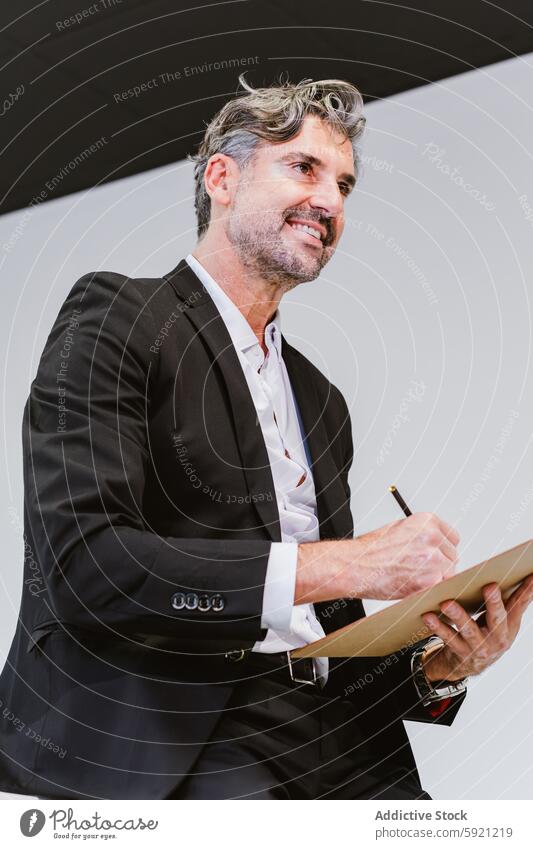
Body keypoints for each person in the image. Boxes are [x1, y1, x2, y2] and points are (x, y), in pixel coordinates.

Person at [1, 74, 532, 801]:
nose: (330, 201)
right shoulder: (115, 319)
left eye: (344, 183)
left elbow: (320, 633)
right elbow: (88, 567)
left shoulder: (320, 400)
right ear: (221, 177)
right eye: (303, 168)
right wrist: (348, 565)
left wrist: (433, 668)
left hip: (339, 743)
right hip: (180, 734)